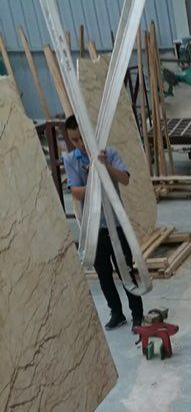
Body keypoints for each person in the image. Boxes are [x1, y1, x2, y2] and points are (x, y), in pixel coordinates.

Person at [63, 114, 144, 331]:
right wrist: (94, 180)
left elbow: (125, 179)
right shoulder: (72, 160)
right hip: (94, 228)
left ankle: (137, 315)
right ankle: (116, 312)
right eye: (74, 140)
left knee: (125, 271)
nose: (80, 144)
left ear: (90, 133)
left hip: (115, 224)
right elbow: (76, 192)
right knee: (104, 275)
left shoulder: (109, 153)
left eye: (82, 138)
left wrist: (105, 166)